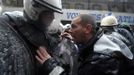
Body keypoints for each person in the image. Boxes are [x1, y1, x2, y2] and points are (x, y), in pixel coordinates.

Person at [36, 14, 134, 75]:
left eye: (74, 27)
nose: (70, 31)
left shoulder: (100, 59)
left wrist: (50, 66)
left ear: (87, 29)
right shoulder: (101, 42)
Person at [0, 0, 63, 75]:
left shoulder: (48, 36)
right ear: (34, 12)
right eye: (48, 14)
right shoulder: (6, 30)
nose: (53, 18)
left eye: (54, 13)